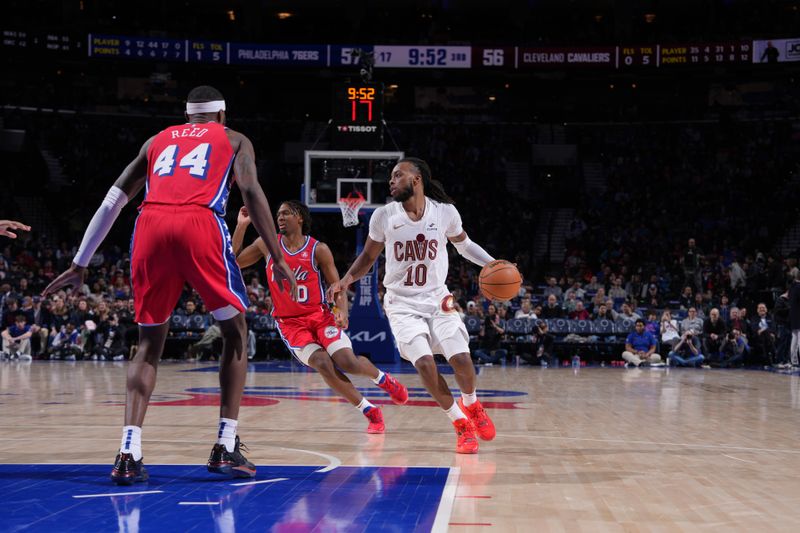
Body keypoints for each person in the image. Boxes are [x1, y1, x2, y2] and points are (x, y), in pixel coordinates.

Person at [42, 86, 298, 485]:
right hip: (199, 222)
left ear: (187, 115)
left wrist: (81, 262)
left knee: (148, 344)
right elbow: (249, 188)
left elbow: (114, 199)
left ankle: (129, 451)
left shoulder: (157, 140)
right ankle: (225, 444)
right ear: (221, 115)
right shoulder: (233, 139)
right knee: (235, 331)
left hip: (150, 226)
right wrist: (279, 258)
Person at [328, 157, 496, 454]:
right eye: (391, 177)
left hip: (437, 298)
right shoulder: (384, 216)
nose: (391, 181)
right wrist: (345, 280)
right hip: (402, 303)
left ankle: (472, 405)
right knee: (424, 364)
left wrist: (493, 263)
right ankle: (460, 424)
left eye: (397, 175)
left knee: (461, 360)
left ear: (416, 180)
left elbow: (465, 245)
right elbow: (368, 258)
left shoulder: (445, 213)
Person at [232, 201, 408, 433]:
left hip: (319, 316)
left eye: (286, 213)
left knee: (348, 362)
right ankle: (370, 411)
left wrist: (342, 310)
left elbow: (337, 286)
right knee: (323, 363)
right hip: (290, 324)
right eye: (278, 214)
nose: (280, 218)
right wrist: (241, 226)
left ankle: (382, 379)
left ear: (300, 218)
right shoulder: (267, 244)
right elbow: (233, 261)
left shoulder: (318, 249)